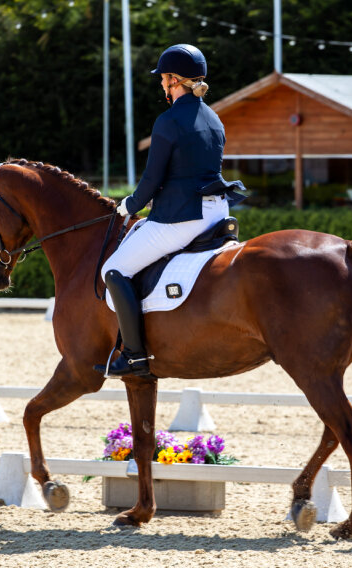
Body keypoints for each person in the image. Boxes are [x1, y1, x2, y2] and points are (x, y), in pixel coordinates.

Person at [96, 43, 245, 378]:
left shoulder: (168, 121)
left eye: (164, 79)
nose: (162, 84)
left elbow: (152, 178)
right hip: (218, 213)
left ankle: (133, 356)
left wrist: (128, 206)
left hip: (182, 218)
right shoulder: (214, 118)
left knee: (114, 270)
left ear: (174, 79)